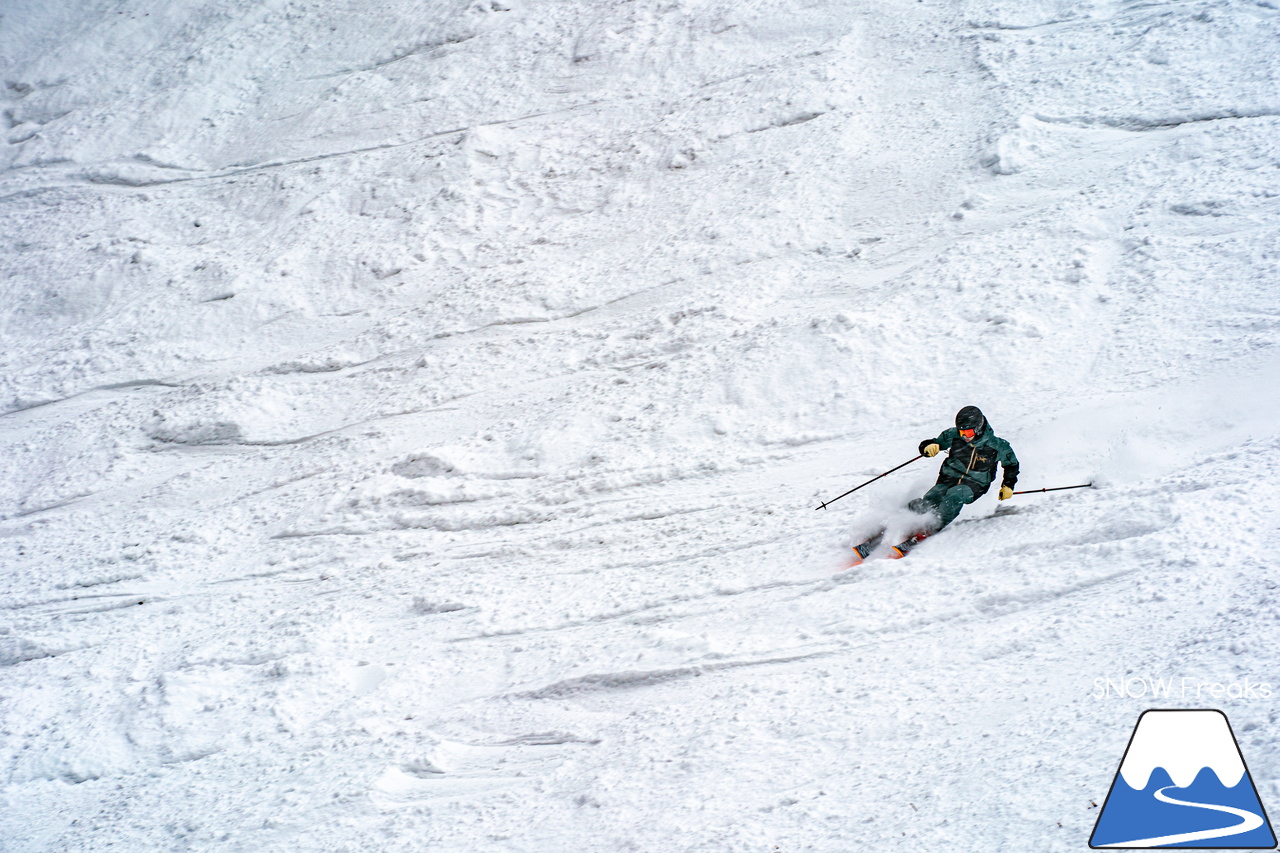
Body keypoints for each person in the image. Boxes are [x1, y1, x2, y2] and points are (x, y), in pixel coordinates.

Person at [853, 405, 1019, 561]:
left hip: (975, 484)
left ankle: (928, 529)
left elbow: (1011, 465)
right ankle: (888, 528)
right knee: (927, 502)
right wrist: (929, 447)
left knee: (954, 496)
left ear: (978, 427)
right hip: (948, 478)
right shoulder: (953, 436)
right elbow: (932, 443)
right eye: (961, 432)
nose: (964, 436)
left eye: (968, 432)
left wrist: (1008, 485)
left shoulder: (997, 446)